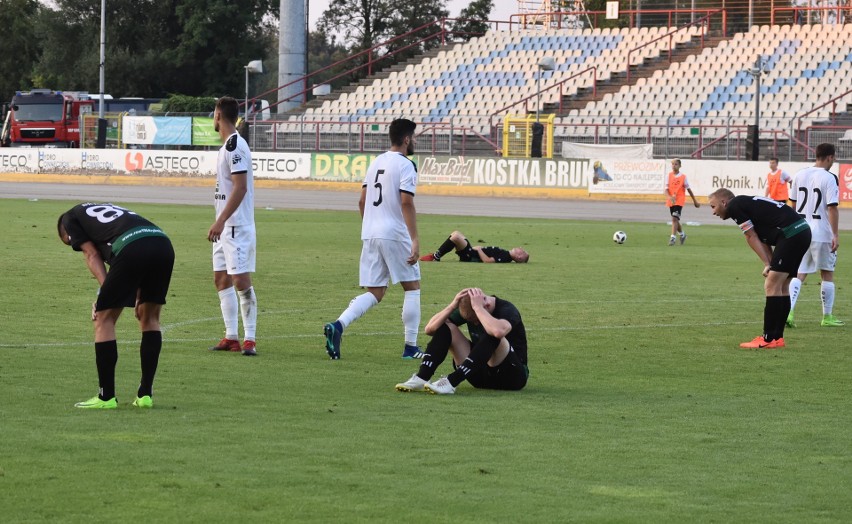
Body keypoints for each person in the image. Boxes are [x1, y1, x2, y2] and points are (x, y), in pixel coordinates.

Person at [57, 203, 175, 409]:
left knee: (103, 318)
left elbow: (92, 255)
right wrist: (137, 294)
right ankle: (145, 395)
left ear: (66, 234)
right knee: (150, 318)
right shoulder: (105, 215)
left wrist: (105, 294)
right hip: (162, 244)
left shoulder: (69, 218)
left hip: (131, 246)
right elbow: (137, 257)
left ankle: (106, 397)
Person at [323, 118, 422, 360]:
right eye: (414, 137)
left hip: (371, 233)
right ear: (407, 139)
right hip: (394, 233)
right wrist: (415, 239)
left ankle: (338, 326)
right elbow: (407, 202)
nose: (416, 141)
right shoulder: (407, 165)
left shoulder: (376, 161)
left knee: (375, 291)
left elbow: (361, 201)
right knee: (412, 287)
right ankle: (411, 347)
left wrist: (371, 226)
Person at [708, 188, 811, 349]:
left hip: (791, 234)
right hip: (801, 231)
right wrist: (770, 263)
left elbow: (751, 236)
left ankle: (768, 338)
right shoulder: (748, 206)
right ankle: (777, 338)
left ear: (724, 202)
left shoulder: (735, 206)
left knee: (771, 285)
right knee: (782, 286)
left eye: (713, 206)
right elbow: (762, 238)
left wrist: (767, 264)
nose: (713, 212)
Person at [395, 288, 528, 395]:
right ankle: (422, 377)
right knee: (445, 326)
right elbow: (430, 329)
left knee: (493, 332)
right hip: (479, 376)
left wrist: (479, 309)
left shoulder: (507, 309)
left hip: (512, 377)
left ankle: (451, 382)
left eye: (475, 320)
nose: (475, 323)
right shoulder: (471, 310)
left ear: (486, 305)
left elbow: (499, 331)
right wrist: (453, 305)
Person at [208, 96, 258, 357]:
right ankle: (231, 337)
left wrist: (220, 220)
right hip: (224, 228)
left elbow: (240, 188)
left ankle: (250, 339)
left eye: (213, 113)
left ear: (219, 115)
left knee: (240, 280)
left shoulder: (235, 147)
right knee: (221, 278)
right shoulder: (226, 146)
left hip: (235, 226)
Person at [787, 143, 844, 327]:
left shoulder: (799, 174)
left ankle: (788, 313)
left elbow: (792, 205)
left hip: (802, 231)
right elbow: (832, 208)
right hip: (822, 232)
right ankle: (827, 317)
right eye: (833, 158)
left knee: (799, 273)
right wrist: (835, 234)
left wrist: (792, 229)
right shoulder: (830, 177)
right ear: (829, 157)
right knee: (827, 273)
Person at [420, 230, 529, 263]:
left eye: (522, 251)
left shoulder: (505, 257)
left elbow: (488, 261)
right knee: (456, 233)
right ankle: (436, 256)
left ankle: (435, 257)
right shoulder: (506, 254)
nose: (520, 247)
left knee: (456, 237)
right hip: (472, 252)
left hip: (471, 256)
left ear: (519, 257)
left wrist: (480, 250)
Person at [665, 158, 700, 246]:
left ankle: (673, 238)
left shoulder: (683, 177)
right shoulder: (668, 176)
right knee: (675, 220)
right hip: (671, 201)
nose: (674, 166)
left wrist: (695, 201)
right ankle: (682, 235)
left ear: (680, 166)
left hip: (679, 200)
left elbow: (689, 189)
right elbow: (666, 190)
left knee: (674, 219)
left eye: (676, 164)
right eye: (672, 164)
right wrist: (669, 197)